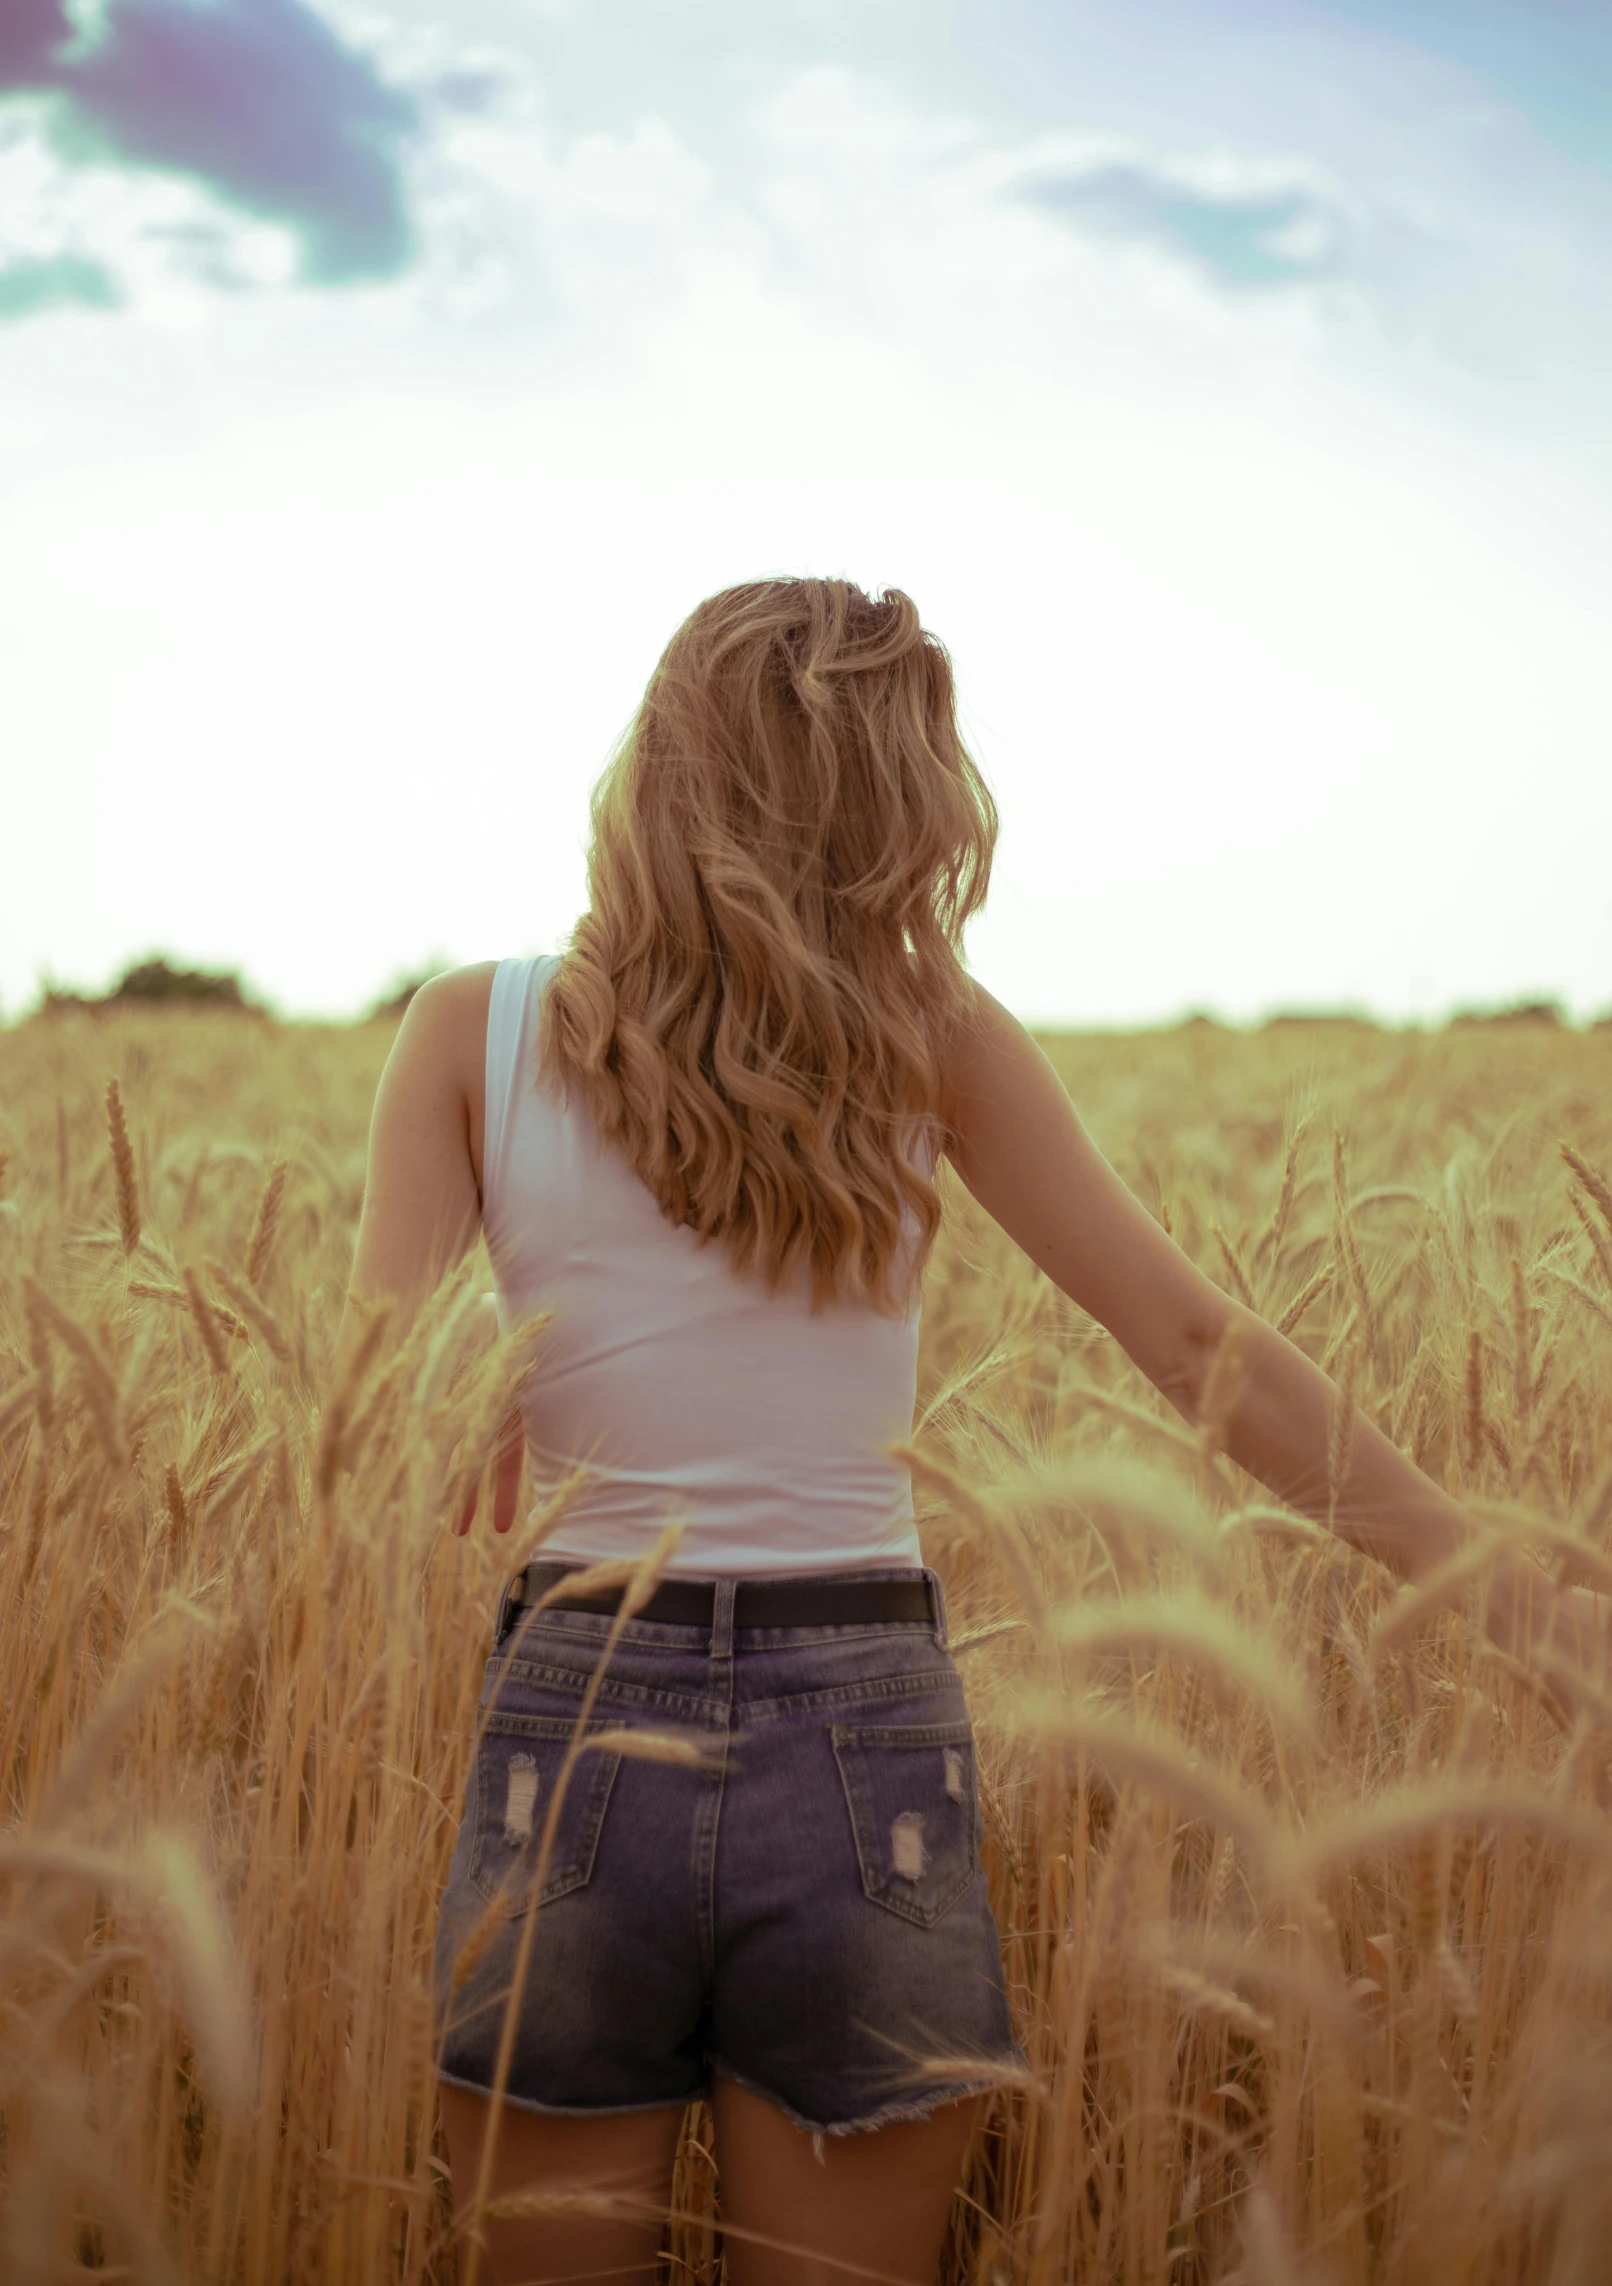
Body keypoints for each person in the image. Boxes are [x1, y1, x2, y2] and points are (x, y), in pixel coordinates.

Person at [335, 577, 1601, 2286]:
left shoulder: (460, 1033)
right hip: (865, 1740)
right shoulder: (934, 1034)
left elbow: (368, 1427)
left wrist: (487, 1392)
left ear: (660, 767)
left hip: (573, 1723)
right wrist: (1521, 1608)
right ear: (894, 799)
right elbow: (1195, 1341)